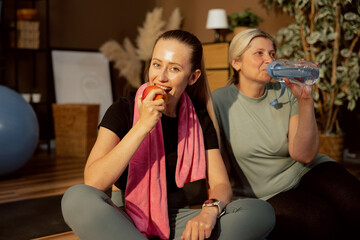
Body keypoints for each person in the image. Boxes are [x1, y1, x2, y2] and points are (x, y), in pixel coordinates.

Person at [61, 30, 275, 240]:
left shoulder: (199, 117)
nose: (160, 77)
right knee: (76, 198)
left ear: (192, 77)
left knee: (259, 212)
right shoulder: (123, 109)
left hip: (177, 220)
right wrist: (143, 125)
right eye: (156, 64)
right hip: (124, 218)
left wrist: (208, 214)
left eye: (174, 68)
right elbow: (94, 181)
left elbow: (220, 184)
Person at [212, 28, 360, 240]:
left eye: (272, 54)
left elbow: (303, 155)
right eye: (259, 53)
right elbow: (215, 164)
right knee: (322, 219)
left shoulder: (285, 92)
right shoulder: (219, 102)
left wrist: (305, 99)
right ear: (237, 63)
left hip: (307, 169)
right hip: (267, 192)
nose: (269, 59)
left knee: (353, 201)